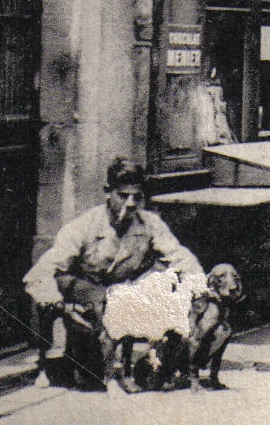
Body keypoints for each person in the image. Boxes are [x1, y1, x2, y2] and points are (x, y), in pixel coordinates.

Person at [24, 158, 205, 392]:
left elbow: (180, 256)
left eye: (137, 197)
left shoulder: (149, 223)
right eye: (123, 195)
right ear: (108, 193)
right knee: (107, 307)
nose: (130, 204)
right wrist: (55, 302)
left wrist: (198, 285)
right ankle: (109, 374)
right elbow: (41, 272)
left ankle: (160, 367)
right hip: (80, 285)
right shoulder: (84, 225)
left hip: (119, 289)